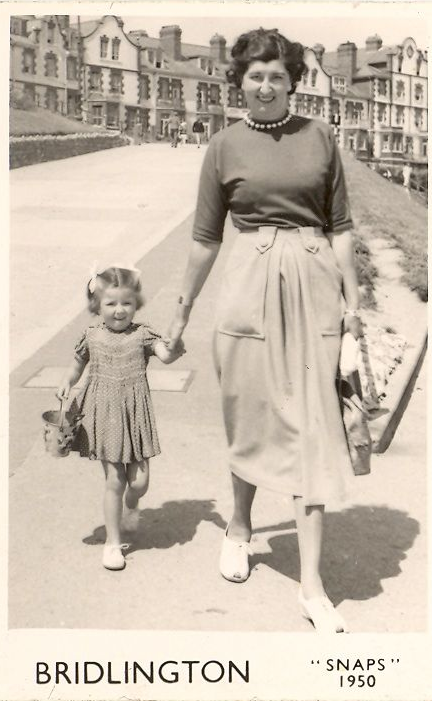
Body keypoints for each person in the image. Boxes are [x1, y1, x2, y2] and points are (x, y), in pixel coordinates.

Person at [167, 28, 363, 633]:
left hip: (313, 281)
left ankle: (311, 587)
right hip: (248, 282)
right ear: (240, 82)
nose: (267, 85)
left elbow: (341, 228)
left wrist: (354, 308)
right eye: (256, 75)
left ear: (293, 81)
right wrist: (180, 312)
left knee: (312, 427)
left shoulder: (320, 136)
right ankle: (239, 526)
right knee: (249, 413)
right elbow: (205, 240)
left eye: (278, 75)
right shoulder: (222, 146)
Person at [57, 264, 185, 571]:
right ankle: (112, 544)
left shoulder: (142, 334)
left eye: (126, 303)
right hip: (104, 416)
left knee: (139, 483)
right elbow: (76, 364)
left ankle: (132, 502)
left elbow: (165, 354)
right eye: (111, 303)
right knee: (114, 480)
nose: (119, 310)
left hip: (134, 416)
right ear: (97, 305)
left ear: (136, 303)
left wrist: (174, 345)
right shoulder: (92, 336)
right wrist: (67, 381)